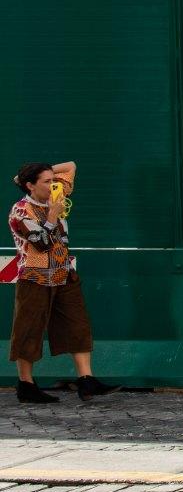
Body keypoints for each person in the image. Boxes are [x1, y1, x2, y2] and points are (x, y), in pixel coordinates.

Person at [9, 163, 114, 403]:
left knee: (77, 323)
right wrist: (53, 215)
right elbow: (41, 243)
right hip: (35, 276)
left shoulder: (56, 193)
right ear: (30, 186)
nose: (53, 184)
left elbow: (72, 166)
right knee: (29, 329)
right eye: (46, 181)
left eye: (53, 179)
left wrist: (46, 171)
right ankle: (26, 384)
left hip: (63, 272)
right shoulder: (21, 211)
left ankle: (86, 380)